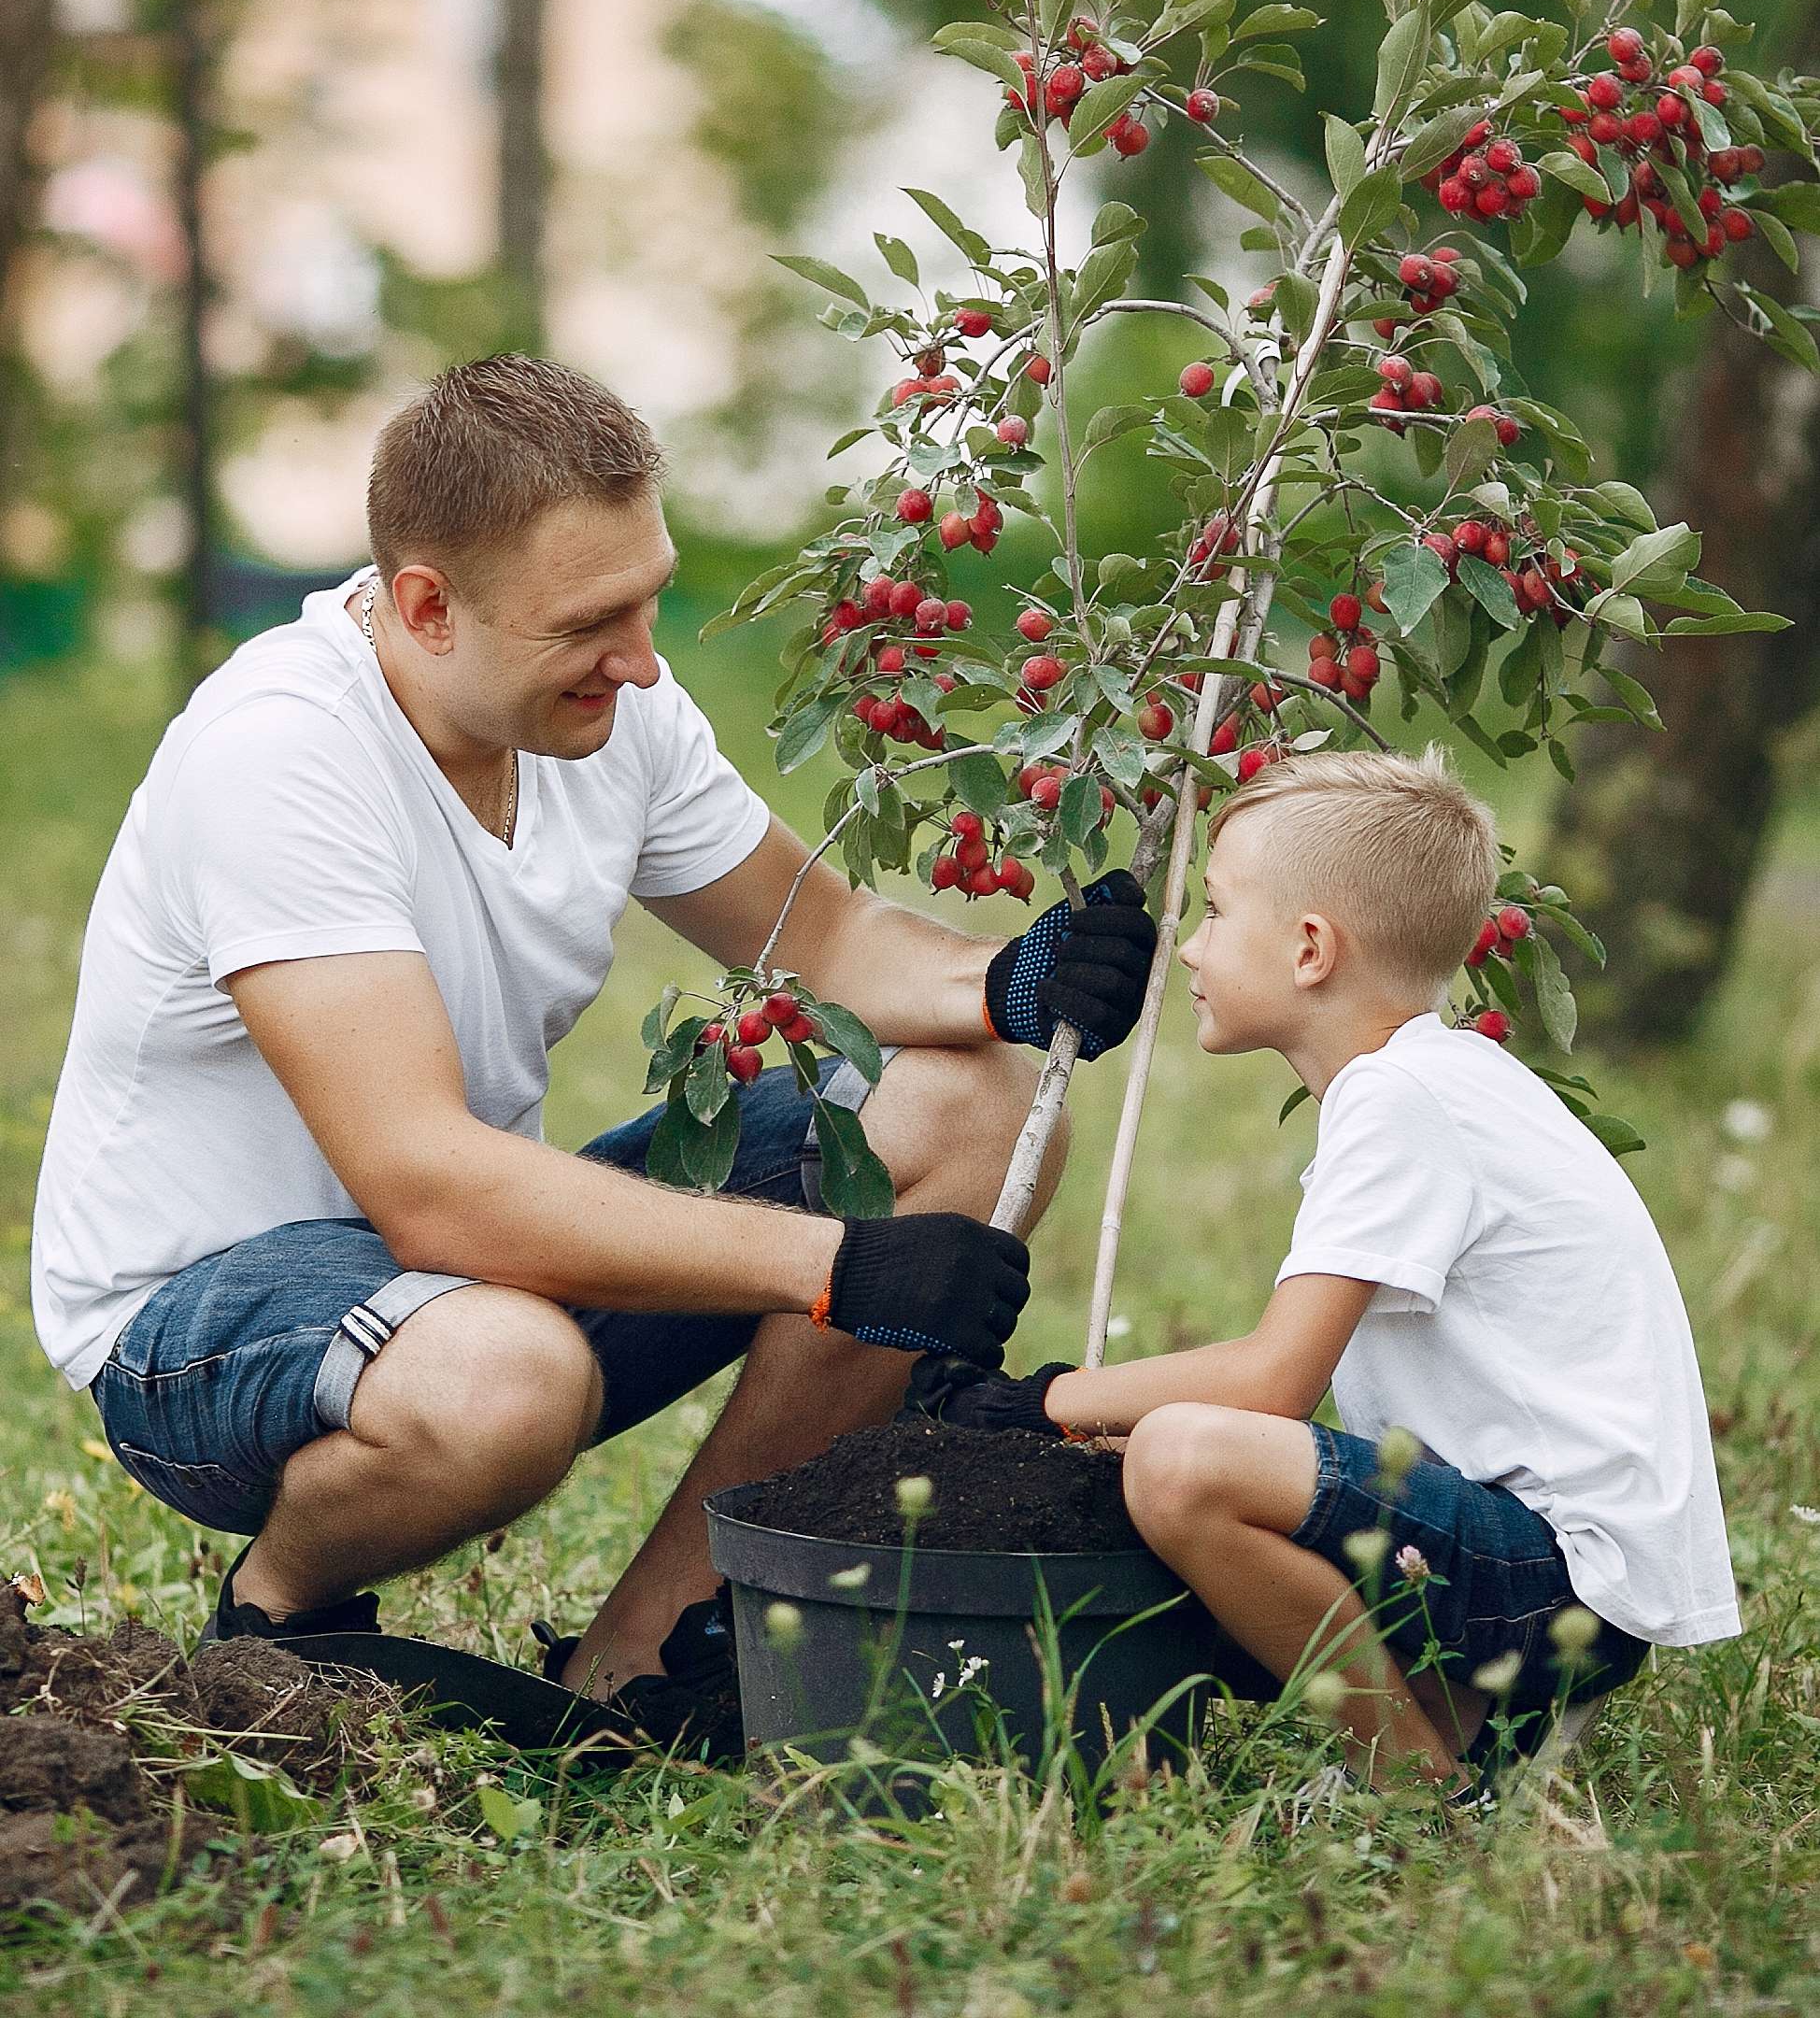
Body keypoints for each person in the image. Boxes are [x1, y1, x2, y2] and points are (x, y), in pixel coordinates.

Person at [32, 354, 1158, 1746]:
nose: (639, 656)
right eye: (589, 622)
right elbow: (430, 1186)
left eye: (648, 597)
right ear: (427, 606)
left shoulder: (605, 710)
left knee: (971, 1108)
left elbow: (827, 935)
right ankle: (282, 1607)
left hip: (454, 1275)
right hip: (199, 1330)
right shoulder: (279, 757)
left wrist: (1014, 974)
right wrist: (842, 1265)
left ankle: (649, 1660)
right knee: (508, 1380)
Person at [915, 746, 1739, 1798]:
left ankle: (1418, 1786)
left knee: (1179, 1460)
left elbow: (1272, 1385)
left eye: (1213, 912)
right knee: (1165, 1450)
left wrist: (1034, 1403)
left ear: (1309, 949)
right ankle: (1466, 1719)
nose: (1191, 944)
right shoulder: (1434, 1081)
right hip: (1541, 1564)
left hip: (1558, 1581)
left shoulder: (1402, 1101)